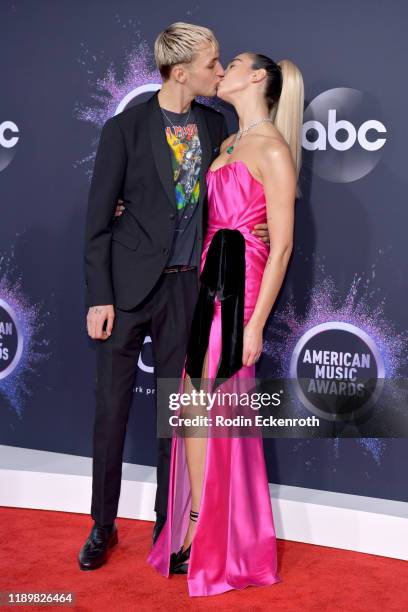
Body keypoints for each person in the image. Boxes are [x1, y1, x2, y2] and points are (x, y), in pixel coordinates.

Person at [78, 23, 270, 571]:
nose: (220, 69)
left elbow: (240, 193)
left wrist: (255, 227)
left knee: (176, 414)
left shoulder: (217, 125)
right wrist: (100, 296)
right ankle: (102, 525)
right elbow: (97, 222)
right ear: (181, 70)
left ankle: (170, 526)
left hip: (190, 287)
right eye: (212, 63)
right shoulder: (125, 129)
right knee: (112, 412)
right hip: (127, 291)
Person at [147, 52, 304, 597]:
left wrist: (257, 323)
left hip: (243, 286)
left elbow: (281, 246)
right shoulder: (224, 144)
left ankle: (215, 535)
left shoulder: (274, 149)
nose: (225, 69)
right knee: (191, 403)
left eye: (233, 62)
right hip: (207, 278)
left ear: (257, 77)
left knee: (215, 404)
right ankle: (194, 522)